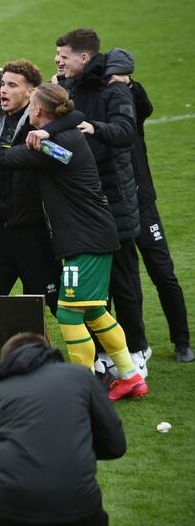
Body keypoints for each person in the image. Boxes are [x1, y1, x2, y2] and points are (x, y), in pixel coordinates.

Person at [0, 82, 147, 401]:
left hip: (85, 241)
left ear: (37, 110)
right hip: (96, 236)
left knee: (69, 314)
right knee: (94, 312)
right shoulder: (63, 137)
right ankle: (130, 376)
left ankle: (81, 386)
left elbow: (0, 158)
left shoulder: (52, 148)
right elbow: (73, 117)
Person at [52, 28, 147, 373]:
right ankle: (107, 353)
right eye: (57, 55)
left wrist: (94, 128)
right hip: (85, 202)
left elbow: (126, 133)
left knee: (123, 279)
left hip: (115, 200)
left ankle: (137, 349)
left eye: (64, 55)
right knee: (96, 288)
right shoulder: (70, 87)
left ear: (85, 57)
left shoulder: (116, 88)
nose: (58, 60)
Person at [103, 49, 192, 362]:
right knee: (126, 281)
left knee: (162, 271)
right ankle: (129, 344)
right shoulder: (103, 113)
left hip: (142, 204)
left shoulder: (128, 110)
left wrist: (123, 81)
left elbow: (144, 104)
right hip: (118, 208)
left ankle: (182, 342)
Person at [0, 332, 126, 526]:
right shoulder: (81, 376)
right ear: (48, 352)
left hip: (10, 509)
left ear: (6, 363)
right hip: (78, 506)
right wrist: (74, 448)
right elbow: (115, 445)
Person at [0, 60, 60, 312]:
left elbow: (2, 158)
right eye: (2, 85)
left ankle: (99, 352)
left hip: (33, 232)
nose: (3, 90)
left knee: (55, 304)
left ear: (31, 93)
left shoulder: (38, 127)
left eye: (12, 85)